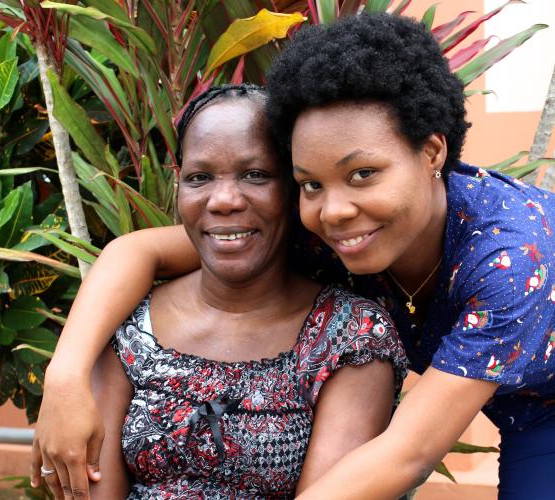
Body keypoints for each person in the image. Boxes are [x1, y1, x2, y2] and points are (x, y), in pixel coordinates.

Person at [32, 12, 554, 500]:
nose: (335, 210)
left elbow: (408, 452)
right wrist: (66, 376)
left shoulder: (512, 259)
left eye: (363, 174)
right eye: (309, 183)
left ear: (432, 152)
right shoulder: (328, 228)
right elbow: (139, 250)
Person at [35, 83, 406, 499]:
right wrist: (63, 380)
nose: (224, 200)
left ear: (296, 187)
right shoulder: (129, 322)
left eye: (256, 175)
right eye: (200, 177)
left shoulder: (350, 336)